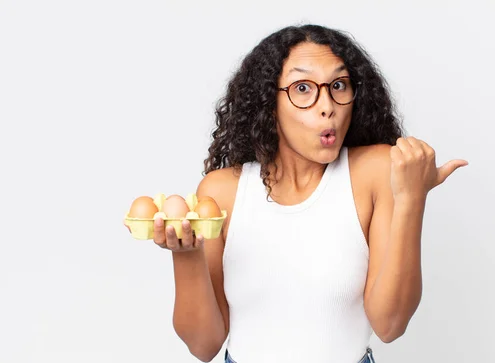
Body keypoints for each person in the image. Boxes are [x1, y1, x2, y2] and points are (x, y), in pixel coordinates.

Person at [150, 24, 468, 363]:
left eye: (338, 86)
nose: (327, 106)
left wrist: (411, 199)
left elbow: (390, 324)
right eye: (303, 88)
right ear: (267, 101)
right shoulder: (222, 191)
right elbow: (203, 345)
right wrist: (184, 253)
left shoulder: (375, 171)